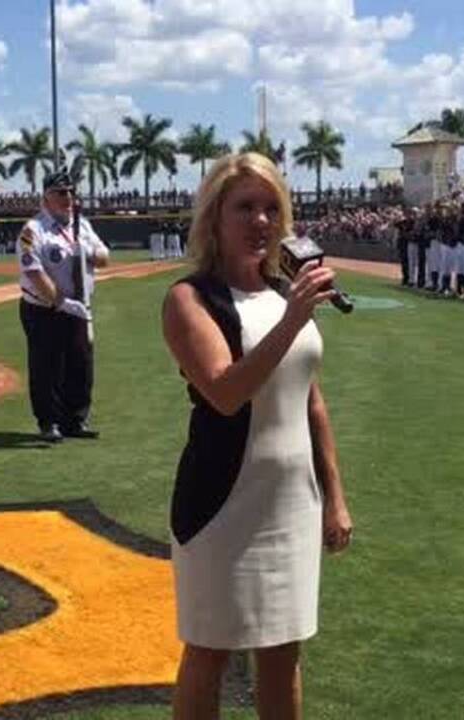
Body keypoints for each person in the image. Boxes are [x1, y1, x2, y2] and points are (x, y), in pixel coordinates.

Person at [161, 152, 352, 719]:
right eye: (245, 207)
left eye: (273, 208)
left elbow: (311, 400)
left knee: (284, 649)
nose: (262, 222)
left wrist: (334, 497)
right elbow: (224, 392)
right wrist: (293, 318)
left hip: (291, 500)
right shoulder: (189, 300)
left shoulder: (283, 294)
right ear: (215, 216)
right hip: (222, 503)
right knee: (210, 649)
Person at [17, 170, 110, 442]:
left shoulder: (82, 225)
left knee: (80, 363)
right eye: (60, 192)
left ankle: (76, 420)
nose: (67, 197)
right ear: (46, 196)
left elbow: (105, 257)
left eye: (70, 192)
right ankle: (49, 422)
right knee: (47, 366)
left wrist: (91, 253)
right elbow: (34, 272)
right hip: (44, 309)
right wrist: (61, 302)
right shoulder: (32, 231)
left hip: (80, 307)